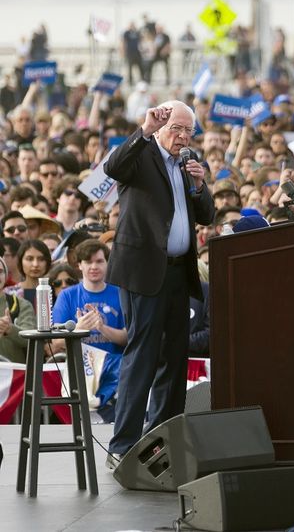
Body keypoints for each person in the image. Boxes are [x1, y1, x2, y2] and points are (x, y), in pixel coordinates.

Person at [104, 101, 215, 466]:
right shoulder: (142, 155)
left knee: (174, 358)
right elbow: (113, 167)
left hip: (178, 273)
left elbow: (207, 214)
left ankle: (161, 441)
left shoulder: (187, 163)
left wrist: (199, 186)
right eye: (176, 129)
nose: (182, 137)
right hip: (143, 271)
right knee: (143, 356)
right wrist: (144, 129)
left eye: (189, 131)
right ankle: (123, 445)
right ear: (161, 127)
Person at [51, 240, 127, 420]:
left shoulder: (120, 293)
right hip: (82, 371)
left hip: (117, 371)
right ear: (79, 265)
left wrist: (101, 327)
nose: (94, 266)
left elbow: (127, 337)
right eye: (88, 261)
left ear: (108, 263)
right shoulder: (67, 296)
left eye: (99, 261)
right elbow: (57, 341)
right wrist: (79, 328)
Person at [0, 256, 36, 362]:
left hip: (15, 375)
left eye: (0, 271)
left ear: (5, 276)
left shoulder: (21, 305)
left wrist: (9, 329)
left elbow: (30, 339)